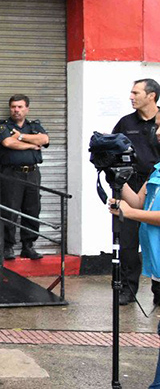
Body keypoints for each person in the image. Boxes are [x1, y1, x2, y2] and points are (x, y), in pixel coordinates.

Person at [108, 111, 160, 388]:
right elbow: (139, 203)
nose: (157, 132)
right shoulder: (158, 168)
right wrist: (115, 177)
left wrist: (131, 213)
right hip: (157, 267)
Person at [112, 79, 160, 305]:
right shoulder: (126, 122)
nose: (131, 97)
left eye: (135, 92)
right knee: (128, 242)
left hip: (156, 184)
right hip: (136, 183)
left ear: (151, 96)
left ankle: (157, 290)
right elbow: (111, 149)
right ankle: (128, 288)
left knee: (155, 238)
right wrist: (115, 177)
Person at [0, 95, 50, 260]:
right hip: (11, 173)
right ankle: (8, 247)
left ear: (27, 109)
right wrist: (32, 145)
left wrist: (20, 136)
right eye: (13, 107)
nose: (16, 110)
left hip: (32, 173)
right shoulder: (3, 126)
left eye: (20, 107)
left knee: (32, 209)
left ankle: (28, 246)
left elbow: (45, 139)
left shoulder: (34, 126)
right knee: (10, 209)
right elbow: (8, 143)